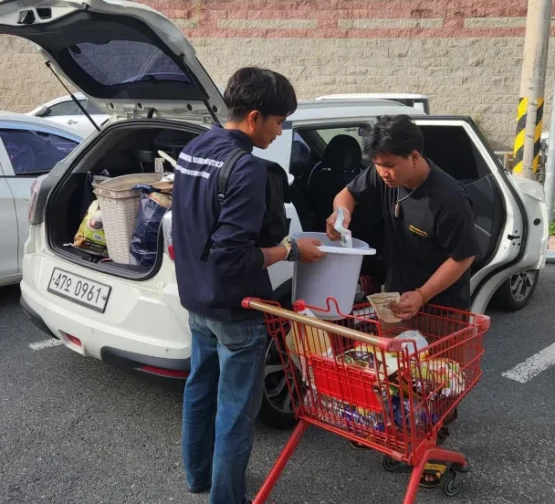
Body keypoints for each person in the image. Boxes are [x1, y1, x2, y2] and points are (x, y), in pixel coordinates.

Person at [172, 66, 325, 504]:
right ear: (255, 117)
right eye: (278, 122)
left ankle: (197, 477)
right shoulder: (247, 169)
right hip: (238, 307)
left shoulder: (194, 149)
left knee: (199, 390)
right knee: (236, 411)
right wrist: (290, 250)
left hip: (196, 298)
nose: (279, 132)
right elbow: (233, 256)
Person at [326, 114, 479, 487]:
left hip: (441, 304)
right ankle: (400, 433)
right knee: (394, 374)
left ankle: (432, 446)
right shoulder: (384, 174)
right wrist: (341, 213)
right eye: (377, 165)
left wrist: (423, 294)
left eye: (390, 165)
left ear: (414, 156)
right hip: (395, 296)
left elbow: (463, 257)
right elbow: (348, 193)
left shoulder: (448, 198)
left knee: (437, 385)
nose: (383, 174)